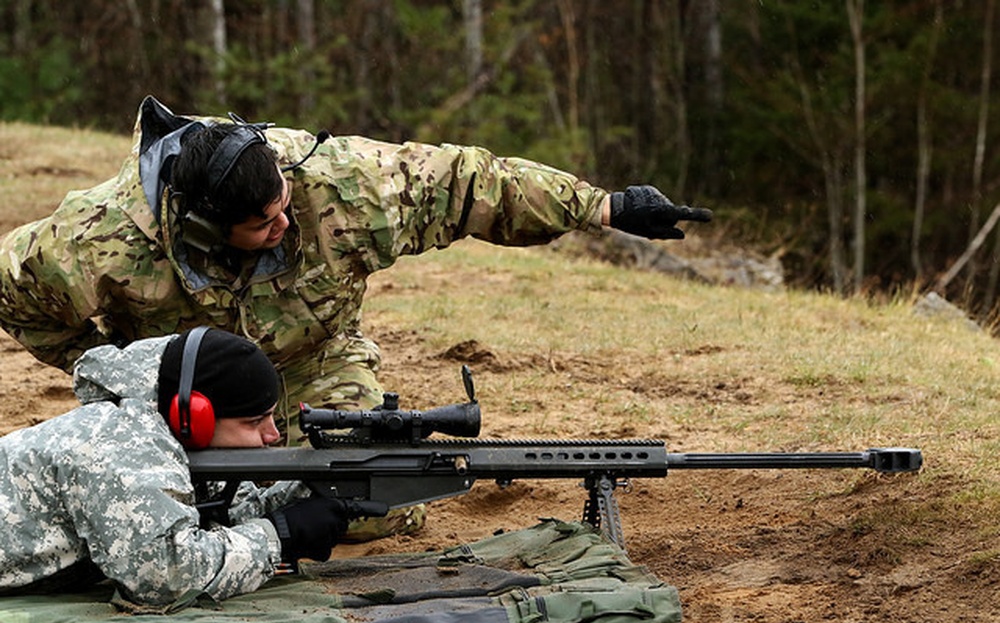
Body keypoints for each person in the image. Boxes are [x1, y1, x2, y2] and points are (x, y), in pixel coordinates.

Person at [0, 96, 712, 446]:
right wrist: (120, 370)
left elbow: (467, 183)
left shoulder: (343, 186)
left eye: (285, 205)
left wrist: (604, 207)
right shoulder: (99, 238)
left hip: (314, 363)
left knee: (366, 502)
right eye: (263, 225)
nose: (285, 226)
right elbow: (11, 291)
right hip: (182, 391)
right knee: (159, 506)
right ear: (209, 228)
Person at [0, 327, 352, 606]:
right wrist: (279, 535)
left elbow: (223, 515)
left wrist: (312, 493)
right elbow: (166, 577)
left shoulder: (161, 427)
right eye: (254, 421)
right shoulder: (122, 446)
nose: (273, 434)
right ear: (194, 416)